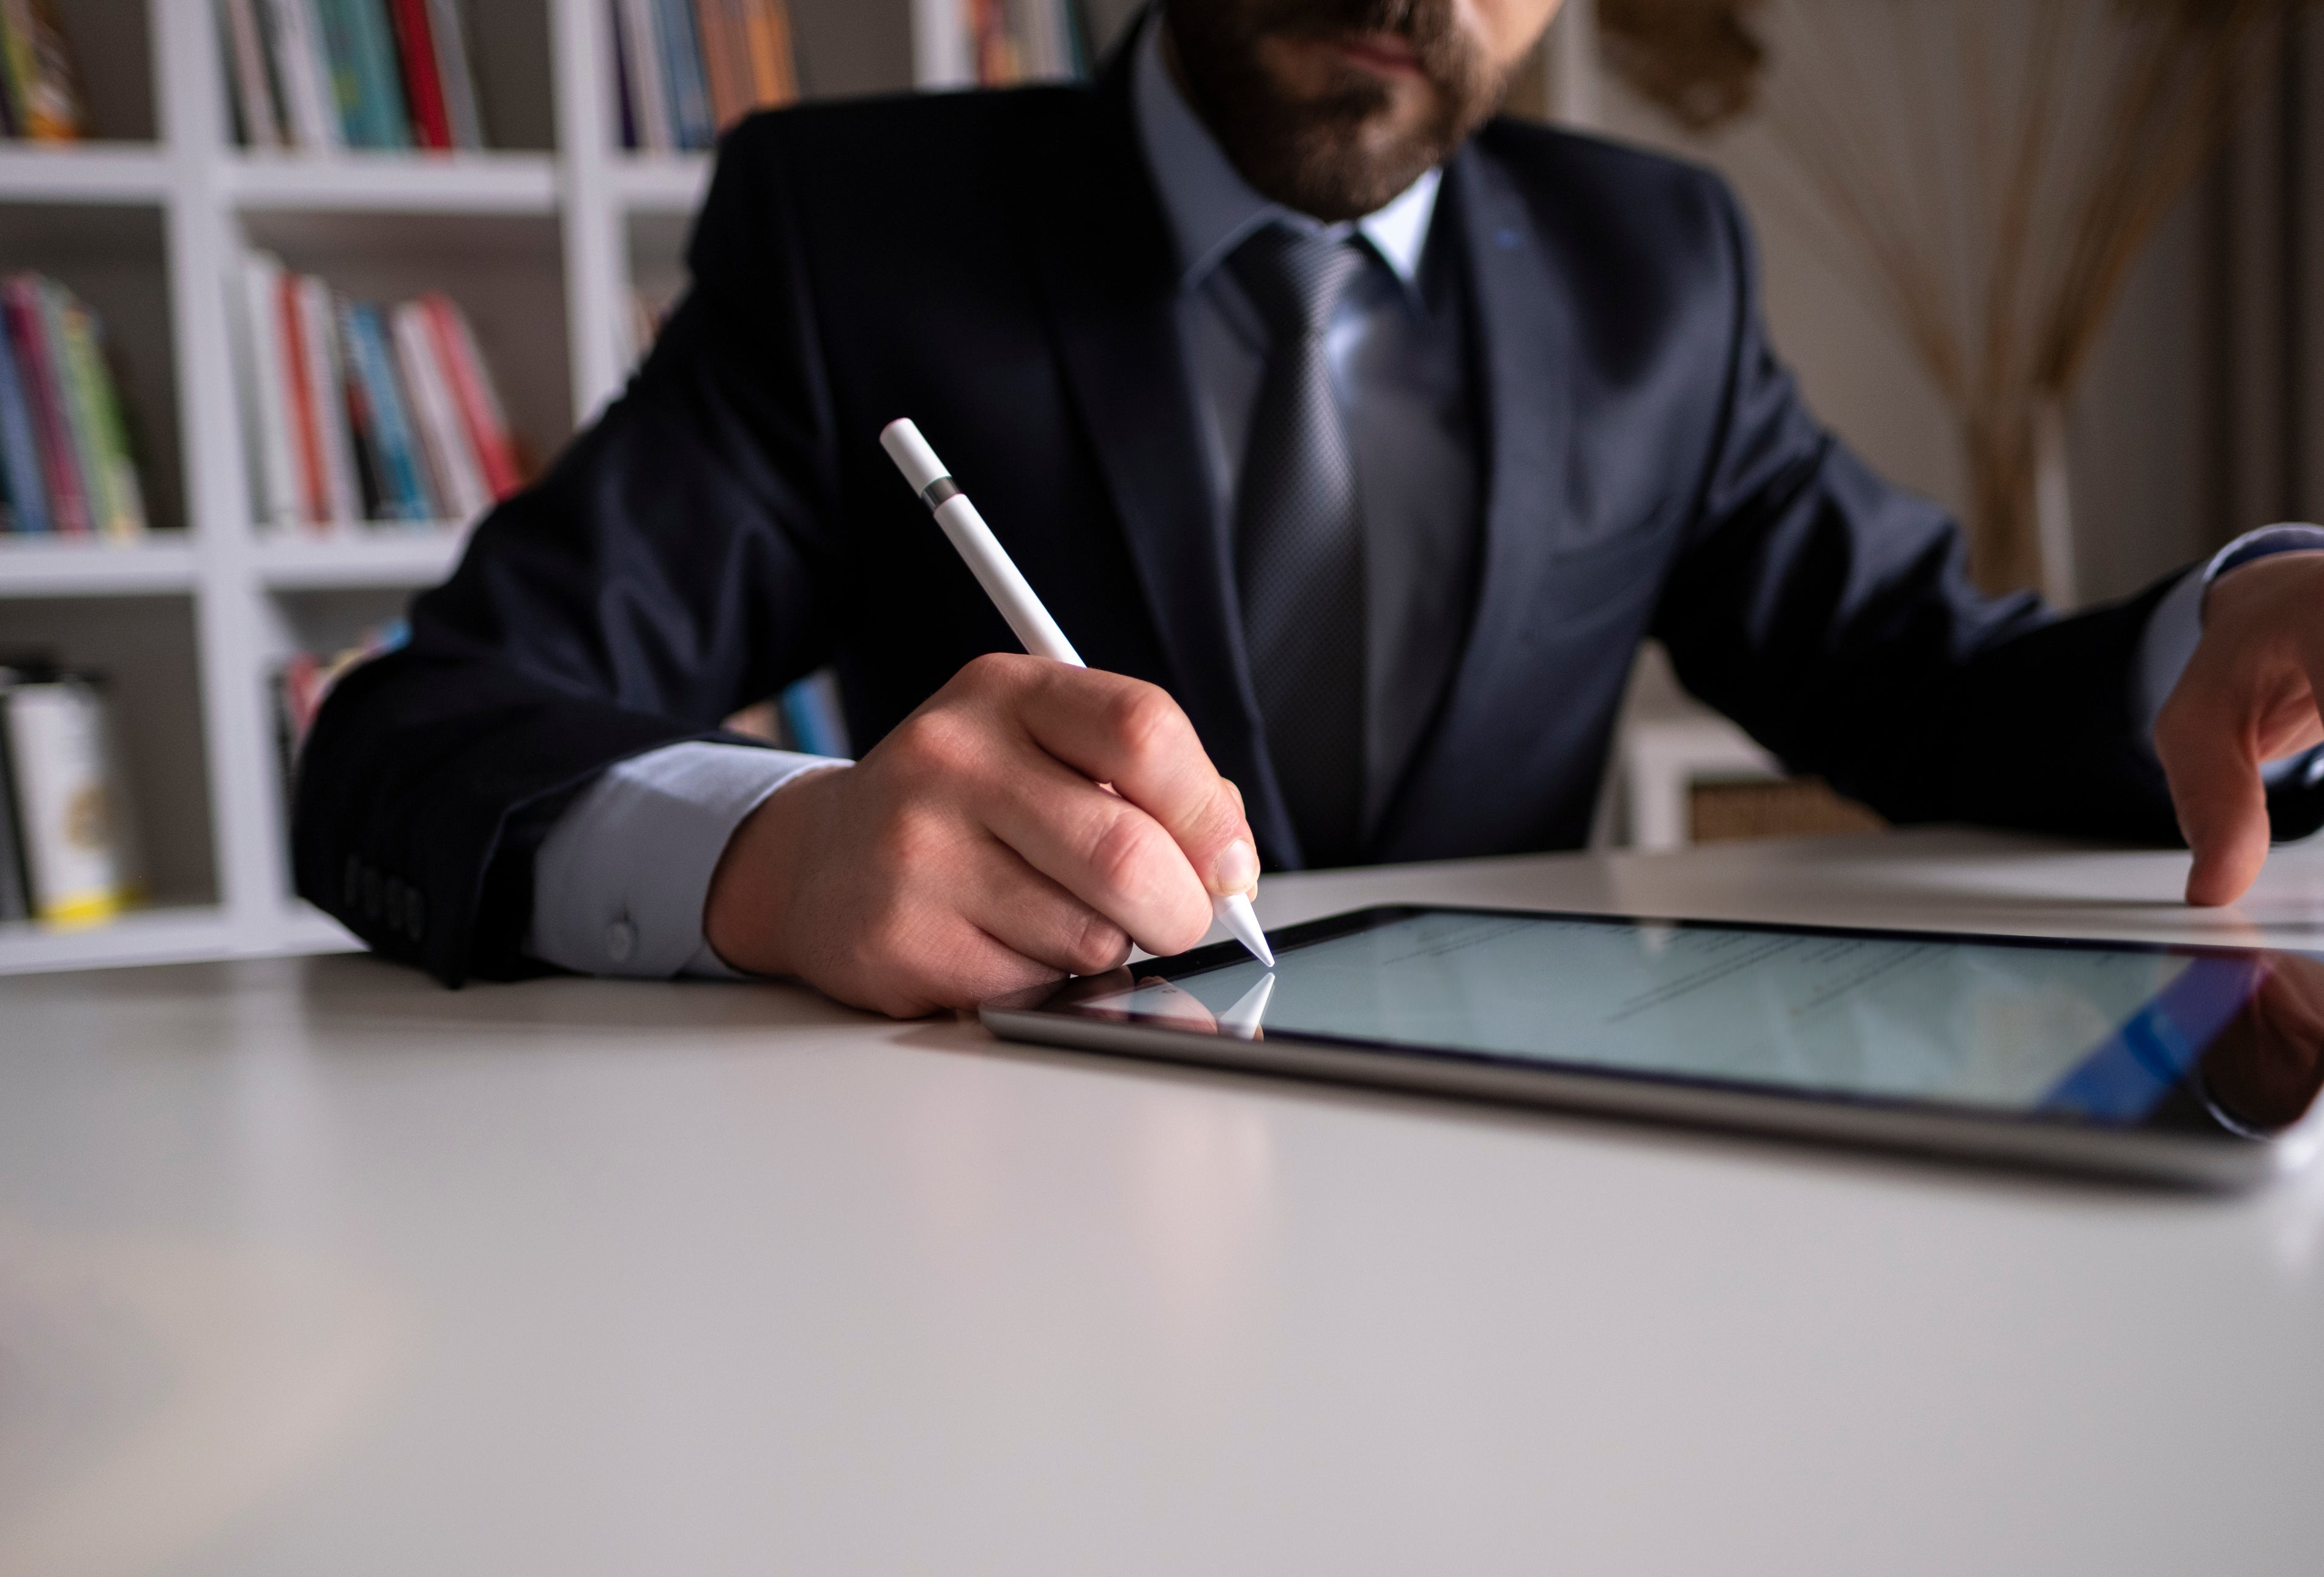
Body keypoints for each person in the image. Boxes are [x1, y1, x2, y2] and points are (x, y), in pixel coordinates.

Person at [294, 0, 2324, 1017]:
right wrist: (779, 863)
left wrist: (2235, 637)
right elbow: (406, 742)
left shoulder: (1656, 271)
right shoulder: (863, 237)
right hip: (987, 1281)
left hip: (1538, 1268)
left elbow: (1928, 676)